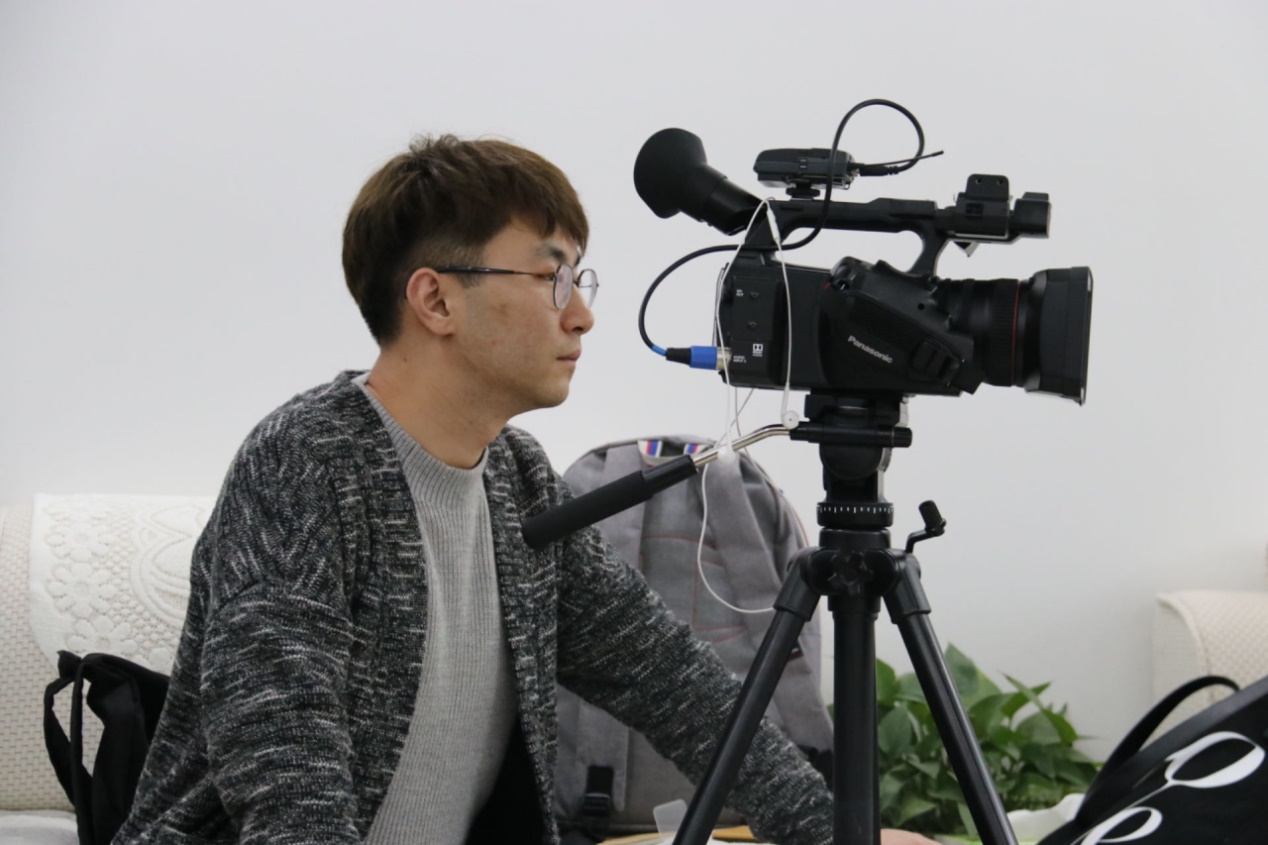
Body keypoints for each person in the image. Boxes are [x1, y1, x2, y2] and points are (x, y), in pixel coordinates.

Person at [113, 135, 936, 845]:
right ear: (436, 298)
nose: (581, 316)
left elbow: (671, 680)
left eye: (580, 280)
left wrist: (829, 831)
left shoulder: (518, 478)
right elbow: (285, 770)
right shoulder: (307, 461)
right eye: (552, 279)